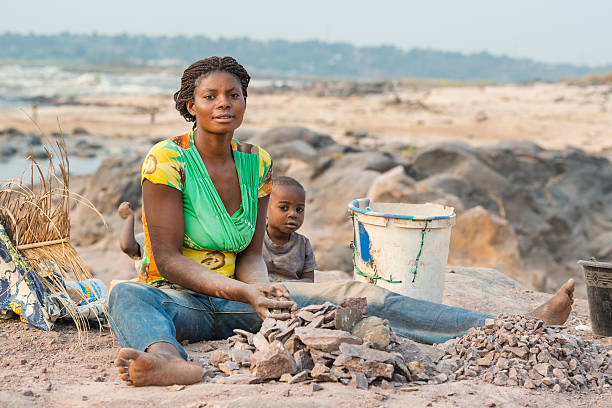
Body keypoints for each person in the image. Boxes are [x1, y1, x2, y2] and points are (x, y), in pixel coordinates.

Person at [109, 56, 575, 387]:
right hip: (182, 302)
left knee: (362, 295)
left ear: (245, 102)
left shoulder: (257, 163)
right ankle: (168, 360)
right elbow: (167, 259)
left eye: (234, 95)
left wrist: (264, 293)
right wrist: (244, 291)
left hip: (243, 303)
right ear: (191, 105)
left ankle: (508, 325)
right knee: (125, 294)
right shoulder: (167, 158)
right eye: (210, 96)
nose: (223, 104)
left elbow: (251, 253)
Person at [264, 176, 317, 282]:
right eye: (284, 208)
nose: (293, 214)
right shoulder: (255, 239)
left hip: (295, 293)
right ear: (265, 209)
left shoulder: (303, 244)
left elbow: (309, 280)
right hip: (265, 290)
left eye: (299, 209)